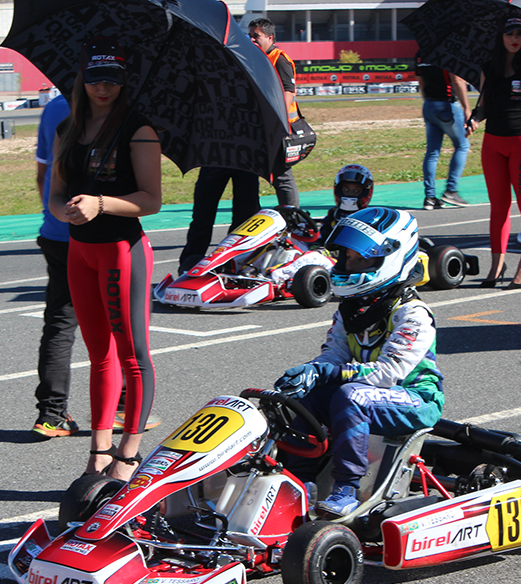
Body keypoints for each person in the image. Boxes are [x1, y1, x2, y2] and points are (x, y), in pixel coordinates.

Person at [274, 208, 444, 517]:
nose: (348, 266)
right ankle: (300, 482)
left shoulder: (413, 314)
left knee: (352, 396)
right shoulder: (351, 310)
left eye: (359, 260)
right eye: (347, 257)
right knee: (301, 396)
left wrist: (329, 373)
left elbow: (389, 373)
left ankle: (346, 490)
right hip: (373, 393)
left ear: (390, 258)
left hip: (417, 398)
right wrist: (311, 373)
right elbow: (333, 357)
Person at [48, 37, 161, 481]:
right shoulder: (67, 128)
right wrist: (65, 211)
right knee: (99, 357)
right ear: (82, 79)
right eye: (95, 79)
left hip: (121, 249)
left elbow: (151, 199)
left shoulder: (138, 128)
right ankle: (98, 452)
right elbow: (56, 193)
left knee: (133, 356)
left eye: (111, 80)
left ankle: (128, 454)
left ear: (124, 81)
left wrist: (101, 204)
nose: (103, 88)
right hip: (80, 251)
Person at [466, 16, 521, 289]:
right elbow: (484, 105)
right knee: (499, 206)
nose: (514, 39)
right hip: (493, 143)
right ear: (500, 37)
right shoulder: (490, 66)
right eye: (509, 33)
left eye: (519, 34)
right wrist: (474, 119)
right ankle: (496, 266)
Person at [32, 94, 81, 438]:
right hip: (100, 234)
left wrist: (54, 213)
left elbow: (42, 174)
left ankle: (51, 413)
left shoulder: (54, 107)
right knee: (114, 324)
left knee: (59, 323)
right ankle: (123, 404)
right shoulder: (120, 106)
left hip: (56, 230)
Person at [248, 18, 300, 208]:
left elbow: (289, 92)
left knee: (281, 175)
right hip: (260, 126)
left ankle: (292, 215)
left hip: (279, 128)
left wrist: (277, 121)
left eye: (256, 36)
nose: (252, 39)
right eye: (250, 35)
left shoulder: (280, 59)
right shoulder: (257, 58)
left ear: (270, 37)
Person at [179, 167, 260, 274]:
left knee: (244, 217)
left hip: (246, 162)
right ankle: (190, 263)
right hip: (216, 160)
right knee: (202, 215)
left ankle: (237, 262)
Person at [416, 53, 471, 210]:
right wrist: (467, 108)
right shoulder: (448, 52)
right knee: (462, 145)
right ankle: (451, 190)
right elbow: (457, 80)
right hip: (446, 104)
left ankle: (429, 197)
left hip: (429, 104)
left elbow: (421, 82)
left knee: (432, 152)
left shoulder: (420, 54)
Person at [317, 164, 374, 241]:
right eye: (346, 190)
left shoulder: (370, 218)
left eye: (356, 191)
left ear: (366, 192)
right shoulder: (333, 216)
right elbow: (321, 239)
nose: (350, 194)